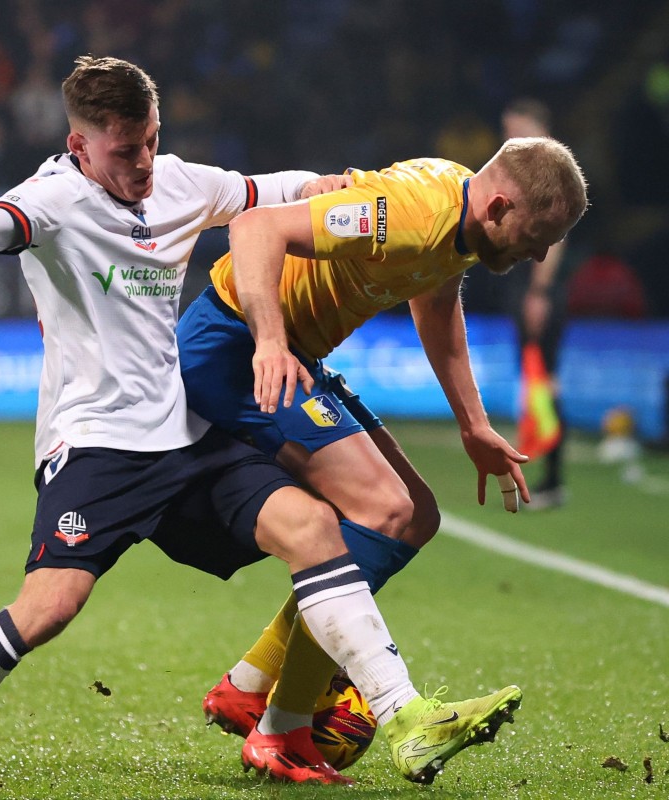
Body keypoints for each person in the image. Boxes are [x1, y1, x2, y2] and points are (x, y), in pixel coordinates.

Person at [0, 56, 515, 793]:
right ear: (80, 146)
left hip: (187, 437)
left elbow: (267, 194)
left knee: (315, 531)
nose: (143, 162)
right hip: (97, 447)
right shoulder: (48, 201)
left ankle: (403, 718)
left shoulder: (173, 179)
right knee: (48, 609)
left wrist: (335, 187)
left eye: (150, 140)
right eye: (124, 150)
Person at [177, 137, 587, 776]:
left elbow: (435, 300)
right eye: (538, 236)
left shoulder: (457, 214)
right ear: (501, 204)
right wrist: (269, 342)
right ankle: (279, 728)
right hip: (232, 348)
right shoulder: (412, 213)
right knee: (383, 509)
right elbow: (256, 228)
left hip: (288, 354)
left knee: (416, 513)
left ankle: (251, 682)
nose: (538, 253)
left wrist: (473, 424)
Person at [500, 98, 571, 509]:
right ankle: (544, 477)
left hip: (539, 292)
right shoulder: (531, 168)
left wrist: (538, 293)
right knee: (535, 382)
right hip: (529, 288)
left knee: (544, 381)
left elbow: (558, 235)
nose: (509, 138)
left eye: (515, 128)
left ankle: (553, 480)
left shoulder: (550, 168)